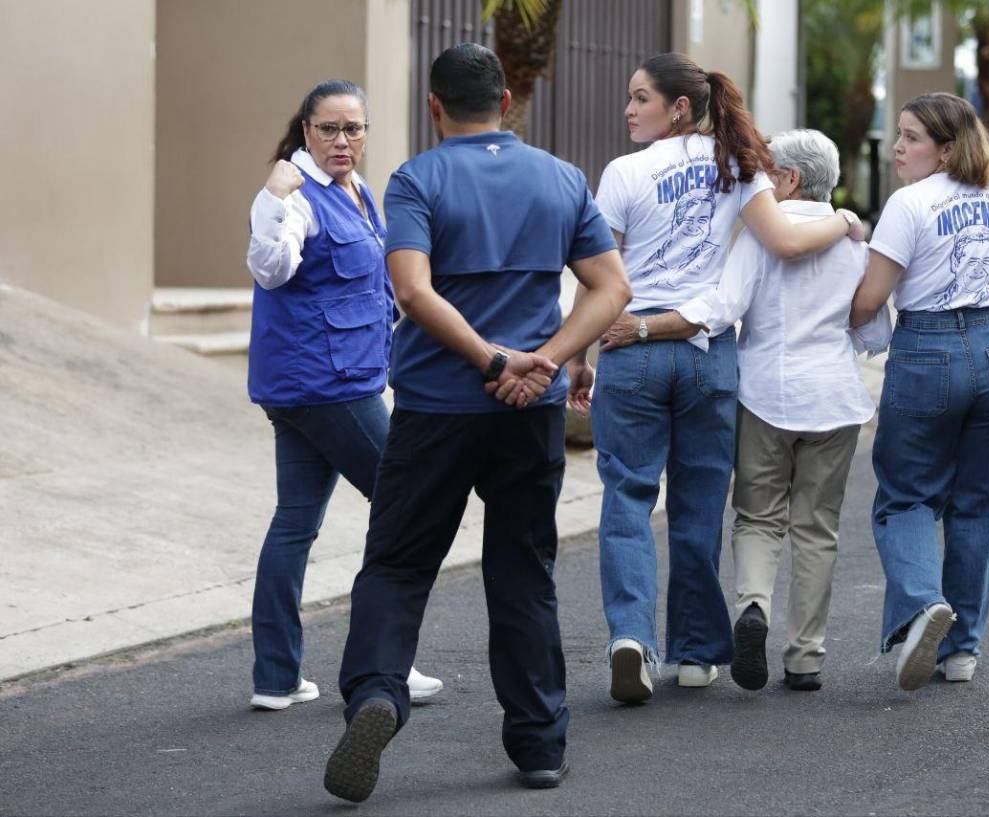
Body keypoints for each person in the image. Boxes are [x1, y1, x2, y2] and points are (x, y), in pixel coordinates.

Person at [323, 44, 630, 803]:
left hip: (436, 406)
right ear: (507, 102)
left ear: (435, 106)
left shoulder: (418, 179)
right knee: (523, 572)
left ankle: (376, 697)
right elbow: (611, 286)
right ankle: (539, 744)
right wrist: (546, 361)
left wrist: (490, 362)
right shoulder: (561, 178)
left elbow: (413, 292)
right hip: (531, 414)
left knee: (396, 564)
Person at [577, 52, 865, 705]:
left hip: (633, 342)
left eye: (640, 98)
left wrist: (577, 355)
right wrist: (844, 221)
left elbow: (601, 273)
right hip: (708, 352)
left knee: (626, 496)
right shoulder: (739, 168)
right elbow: (789, 245)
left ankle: (630, 637)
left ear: (678, 107)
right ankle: (697, 653)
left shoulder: (622, 172)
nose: (628, 109)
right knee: (700, 501)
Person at [849, 93, 989, 691]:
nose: (898, 147)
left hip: (928, 350)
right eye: (897, 135)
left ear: (946, 149)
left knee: (906, 497)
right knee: (979, 502)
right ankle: (962, 650)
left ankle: (923, 605)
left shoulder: (909, 204)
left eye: (911, 138)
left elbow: (872, 300)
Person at [244, 79, 441, 711]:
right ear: (305, 130)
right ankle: (384, 665)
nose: (342, 140)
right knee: (405, 510)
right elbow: (271, 266)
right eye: (329, 128)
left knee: (295, 523)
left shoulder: (355, 192)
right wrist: (273, 197)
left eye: (354, 128)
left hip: (319, 383)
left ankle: (276, 678)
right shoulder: (295, 194)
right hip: (327, 387)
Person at [668, 129, 888, 693]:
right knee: (817, 528)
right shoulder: (855, 247)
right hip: (836, 398)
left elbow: (726, 307)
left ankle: (754, 606)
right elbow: (873, 330)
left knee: (758, 516)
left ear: (789, 179)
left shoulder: (761, 239)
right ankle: (806, 656)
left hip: (765, 394)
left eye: (766, 173)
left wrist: (655, 324)